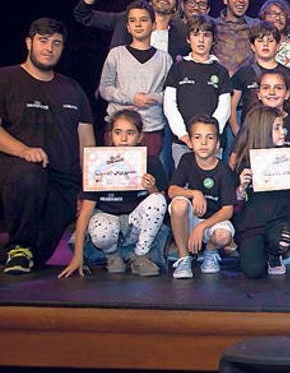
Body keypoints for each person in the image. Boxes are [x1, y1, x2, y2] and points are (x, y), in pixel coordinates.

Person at [1, 18, 96, 275]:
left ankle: (22, 251)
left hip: (64, 181)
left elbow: (86, 141)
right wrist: (23, 150)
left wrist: (86, 188)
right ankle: (18, 245)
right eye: (43, 41)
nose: (49, 48)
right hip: (19, 174)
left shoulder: (72, 88)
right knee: (30, 175)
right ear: (29, 43)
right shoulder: (6, 78)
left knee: (39, 256)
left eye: (56, 43)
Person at [59, 110, 168, 278]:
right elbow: (85, 212)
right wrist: (77, 255)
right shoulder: (97, 163)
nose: (123, 139)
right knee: (102, 230)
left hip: (135, 226)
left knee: (158, 199)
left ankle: (140, 255)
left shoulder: (151, 162)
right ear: (110, 135)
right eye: (118, 133)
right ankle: (112, 255)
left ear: (140, 137)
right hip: (107, 223)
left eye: (130, 133)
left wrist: (151, 188)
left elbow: (160, 205)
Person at [233, 106, 290, 278]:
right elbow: (233, 207)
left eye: (282, 127)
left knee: (283, 240)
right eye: (277, 128)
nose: (283, 132)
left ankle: (274, 254)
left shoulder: (288, 160)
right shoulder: (243, 163)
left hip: (278, 222)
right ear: (262, 131)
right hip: (251, 227)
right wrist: (240, 189)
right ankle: (254, 250)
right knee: (253, 271)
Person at [98, 0, 173, 157]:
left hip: (150, 128)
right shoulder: (116, 54)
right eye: (133, 20)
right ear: (128, 27)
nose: (138, 24)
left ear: (153, 25)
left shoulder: (165, 59)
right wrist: (132, 98)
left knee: (149, 176)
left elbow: (171, 93)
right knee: (117, 175)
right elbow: (105, 88)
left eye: (143, 20)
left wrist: (151, 98)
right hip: (119, 128)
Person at [167, 115, 237, 279]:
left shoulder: (224, 170)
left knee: (223, 236)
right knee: (178, 204)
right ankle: (184, 258)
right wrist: (194, 193)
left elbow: (228, 210)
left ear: (218, 144)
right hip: (191, 219)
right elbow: (172, 190)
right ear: (190, 143)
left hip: (213, 221)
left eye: (210, 137)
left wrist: (202, 227)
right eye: (198, 137)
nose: (204, 143)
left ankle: (210, 252)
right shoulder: (186, 160)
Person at [163, 15, 233, 166]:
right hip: (183, 142)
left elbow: (224, 109)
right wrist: (183, 135)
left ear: (213, 40)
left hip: (212, 143)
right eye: (196, 35)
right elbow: (169, 106)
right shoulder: (178, 68)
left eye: (206, 35)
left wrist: (208, 136)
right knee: (184, 186)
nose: (201, 40)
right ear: (188, 39)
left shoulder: (221, 71)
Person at [73, 0, 188, 58]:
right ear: (151, 2)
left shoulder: (181, 34)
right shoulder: (125, 20)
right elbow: (83, 14)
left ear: (175, 7)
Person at [229, 21, 290, 135]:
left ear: (277, 46)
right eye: (260, 41)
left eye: (270, 41)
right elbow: (232, 107)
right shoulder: (243, 73)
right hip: (251, 133)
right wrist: (237, 132)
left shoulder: (288, 74)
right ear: (253, 46)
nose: (265, 45)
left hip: (281, 134)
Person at [213, 0, 259, 75]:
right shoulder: (213, 25)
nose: (241, 0)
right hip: (218, 84)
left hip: (246, 85)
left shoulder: (256, 26)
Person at [259, 0, 290, 74]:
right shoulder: (257, 43)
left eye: (282, 14)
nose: (277, 18)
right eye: (272, 14)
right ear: (263, 17)